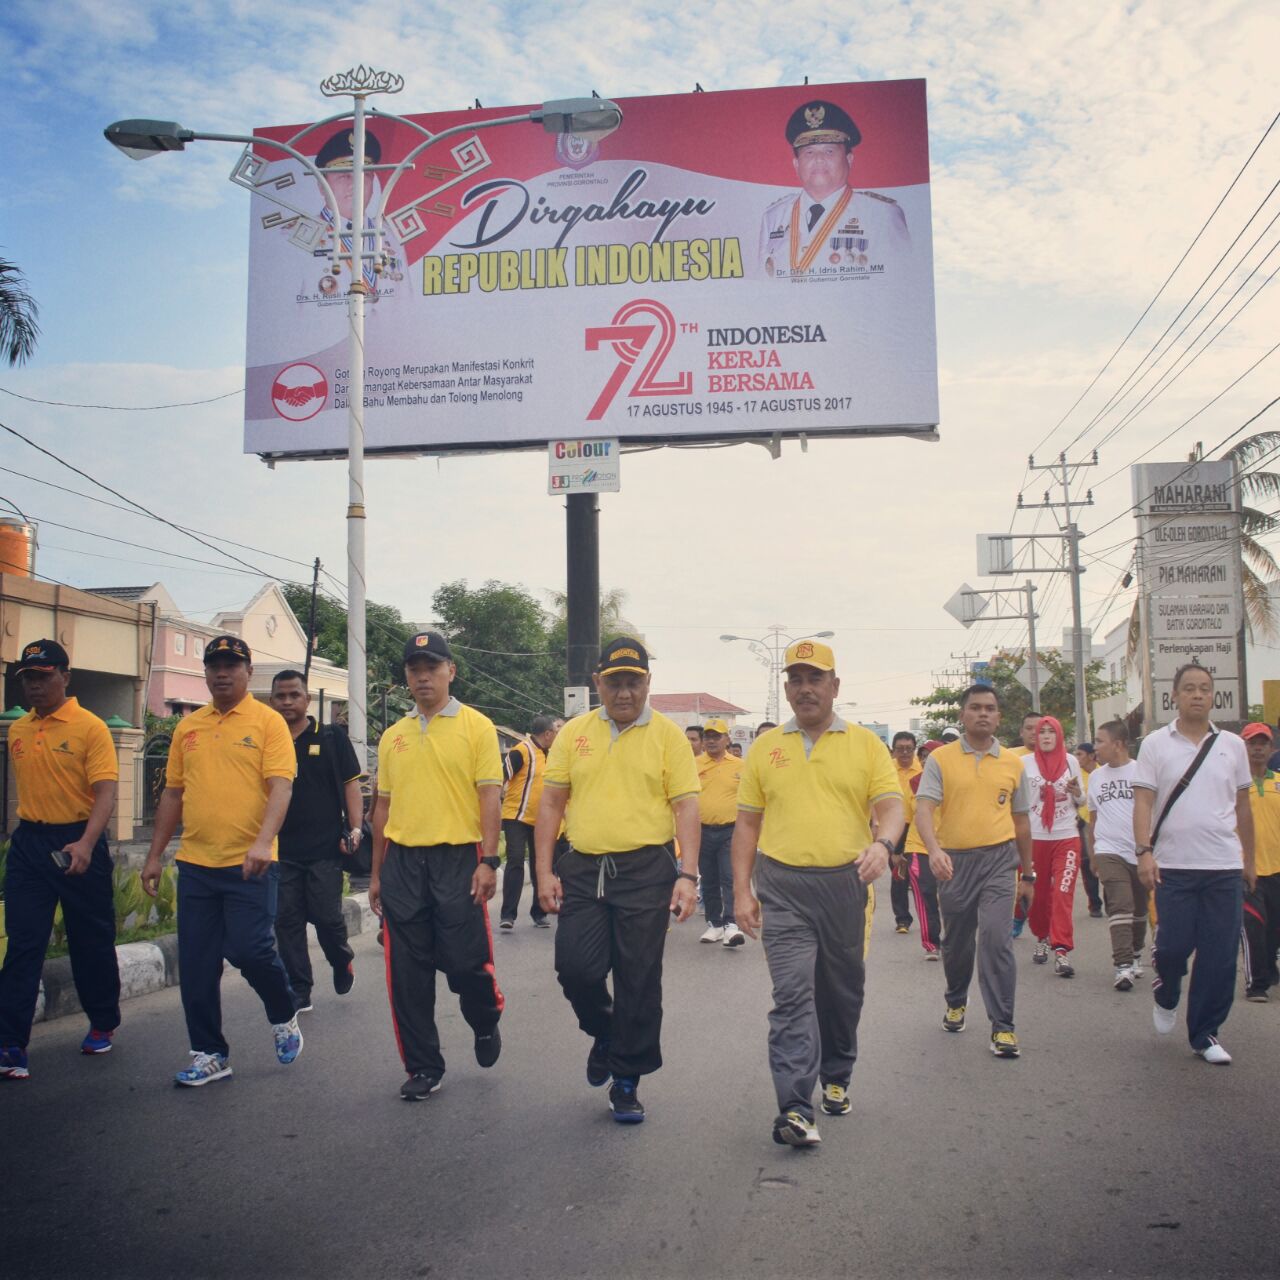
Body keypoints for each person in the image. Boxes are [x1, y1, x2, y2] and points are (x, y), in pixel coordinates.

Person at [733, 640, 904, 1147]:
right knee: (792, 995)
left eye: (816, 679)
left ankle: (837, 1073)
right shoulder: (766, 748)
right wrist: (742, 892)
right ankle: (794, 1105)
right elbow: (746, 825)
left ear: (835, 686)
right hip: (782, 885)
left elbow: (892, 806)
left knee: (841, 992)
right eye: (797, 680)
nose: (806, 689)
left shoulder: (865, 745)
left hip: (845, 885)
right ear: (786, 688)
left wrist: (883, 842)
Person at [534, 637, 701, 1125]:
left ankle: (627, 1079)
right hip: (583, 868)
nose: (624, 692)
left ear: (648, 683)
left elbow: (687, 805)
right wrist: (544, 871)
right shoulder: (574, 734)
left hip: (647, 870)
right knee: (577, 969)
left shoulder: (668, 736)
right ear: (597, 684)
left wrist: (687, 874)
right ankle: (604, 1030)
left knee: (638, 976)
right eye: (614, 682)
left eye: (633, 682)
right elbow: (551, 803)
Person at [141, 635, 301, 1087]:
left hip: (250, 863)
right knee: (197, 963)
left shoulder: (268, 723)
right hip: (196, 864)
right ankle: (210, 1052)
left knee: (250, 949)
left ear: (249, 673)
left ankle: (283, 1011)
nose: (222, 673)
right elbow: (173, 793)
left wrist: (262, 842)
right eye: (214, 665)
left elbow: (281, 787)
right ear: (206, 673)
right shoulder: (187, 728)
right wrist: (155, 855)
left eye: (232, 665)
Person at [370, 631, 505, 1101]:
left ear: (451, 671)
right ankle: (424, 1066)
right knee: (407, 972)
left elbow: (490, 795)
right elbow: (381, 809)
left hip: (458, 859)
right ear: (407, 676)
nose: (422, 676)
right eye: (414, 669)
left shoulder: (476, 727)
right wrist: (376, 873)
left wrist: (489, 860)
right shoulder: (393, 736)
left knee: (466, 964)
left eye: (432, 667)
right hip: (403, 864)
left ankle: (485, 1017)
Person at [0, 640, 120, 1081]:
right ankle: (11, 1043)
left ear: (65, 677)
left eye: (44, 676)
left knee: (90, 940)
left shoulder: (90, 728)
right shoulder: (17, 730)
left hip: (79, 838)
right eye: (29, 678)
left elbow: (106, 792)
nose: (35, 685)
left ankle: (102, 1020)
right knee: (24, 943)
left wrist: (87, 843)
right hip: (31, 844)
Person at [1133, 663, 1254, 1065]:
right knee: (1173, 947)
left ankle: (1205, 1033)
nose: (1198, 694)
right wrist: (1144, 851)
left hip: (1223, 865)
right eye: (1189, 688)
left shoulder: (1232, 744)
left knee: (1219, 957)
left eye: (1204, 688)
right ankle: (1166, 991)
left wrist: (1249, 860)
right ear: (1175, 696)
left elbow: (1242, 805)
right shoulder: (1154, 743)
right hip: (1174, 866)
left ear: (1213, 695)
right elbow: (1144, 801)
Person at [915, 685, 1035, 1059]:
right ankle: (956, 1000)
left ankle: (1003, 1026)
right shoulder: (942, 760)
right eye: (976, 708)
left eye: (991, 709)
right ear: (963, 715)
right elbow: (923, 809)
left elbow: (1022, 823)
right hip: (954, 863)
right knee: (958, 942)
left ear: (999, 717)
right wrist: (934, 851)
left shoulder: (1013, 764)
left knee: (997, 940)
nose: (984, 714)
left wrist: (1027, 875)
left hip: (1000, 861)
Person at [267, 669, 365, 1012]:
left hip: (325, 848)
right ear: (271, 700)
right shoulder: (268, 737)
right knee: (286, 921)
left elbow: (351, 785)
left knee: (326, 917)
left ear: (307, 700)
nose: (287, 701)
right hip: (281, 850)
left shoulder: (331, 737)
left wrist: (355, 829)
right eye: (281, 695)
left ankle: (341, 960)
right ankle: (300, 989)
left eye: (295, 694)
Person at [758, 100, 910, 280]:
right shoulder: (773, 217)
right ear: (796, 165)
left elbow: (902, 289)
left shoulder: (882, 215)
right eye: (809, 152)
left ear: (850, 160)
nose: (819, 159)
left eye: (829, 151)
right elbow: (763, 287)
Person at [1022, 716, 1084, 978]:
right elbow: (1019, 804)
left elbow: (1082, 800)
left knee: (1062, 892)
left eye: (1051, 732)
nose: (1046, 736)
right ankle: (1041, 937)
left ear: (1059, 736)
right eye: (1041, 732)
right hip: (1035, 838)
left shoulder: (1071, 762)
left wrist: (1076, 791)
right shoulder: (1023, 764)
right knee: (1039, 897)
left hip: (1066, 836)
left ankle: (1061, 950)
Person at [1087, 720, 1146, 990]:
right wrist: (1093, 854)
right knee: (1120, 905)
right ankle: (1122, 966)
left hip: (1140, 851)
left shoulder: (1142, 772)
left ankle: (1135, 954)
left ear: (1118, 744)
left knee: (1139, 910)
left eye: (1100, 741)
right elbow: (1093, 818)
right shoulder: (1096, 777)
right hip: (1109, 850)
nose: (1095, 747)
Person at [498, 714, 562, 930]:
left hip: (541, 820)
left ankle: (539, 912)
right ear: (547, 734)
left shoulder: (552, 755)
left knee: (540, 865)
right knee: (515, 860)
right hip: (516, 816)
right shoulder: (521, 751)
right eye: (555, 731)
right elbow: (500, 777)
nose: (557, 735)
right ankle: (508, 915)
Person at [1240, 723, 1280, 1002]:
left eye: (1262, 743)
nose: (1257, 748)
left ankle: (1269, 967)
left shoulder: (1278, 782)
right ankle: (1257, 985)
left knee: (1274, 926)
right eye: (1252, 743)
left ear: (1272, 749)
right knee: (1254, 926)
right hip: (1246, 869)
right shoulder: (1234, 785)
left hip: (1277, 868)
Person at [696, 719, 744, 947]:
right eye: (708, 736)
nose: (712, 740)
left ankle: (731, 924)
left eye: (717, 736)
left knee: (728, 877)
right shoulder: (694, 764)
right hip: (702, 830)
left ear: (727, 739)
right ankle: (714, 924)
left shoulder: (739, 766)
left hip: (730, 831)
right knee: (709, 879)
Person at [903, 739, 943, 958]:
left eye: (931, 756)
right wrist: (896, 851)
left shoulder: (952, 782)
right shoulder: (912, 784)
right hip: (917, 847)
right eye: (923, 756)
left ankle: (954, 939)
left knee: (950, 898)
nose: (926, 760)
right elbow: (905, 819)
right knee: (925, 891)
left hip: (949, 848)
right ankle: (931, 943)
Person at [889, 731, 920, 934]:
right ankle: (902, 919)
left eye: (909, 748)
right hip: (894, 825)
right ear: (894, 750)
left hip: (918, 826)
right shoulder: (887, 769)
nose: (905, 753)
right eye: (900, 749)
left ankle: (931, 917)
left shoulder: (923, 768)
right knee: (898, 873)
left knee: (921, 874)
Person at [1074, 741, 1105, 917]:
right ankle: (1094, 904)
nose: (1077, 758)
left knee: (1107, 863)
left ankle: (1111, 901)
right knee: (1086, 864)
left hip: (1103, 824)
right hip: (1082, 824)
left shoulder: (1103, 773)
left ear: (1091, 756)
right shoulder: (1075, 775)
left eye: (1080, 754)